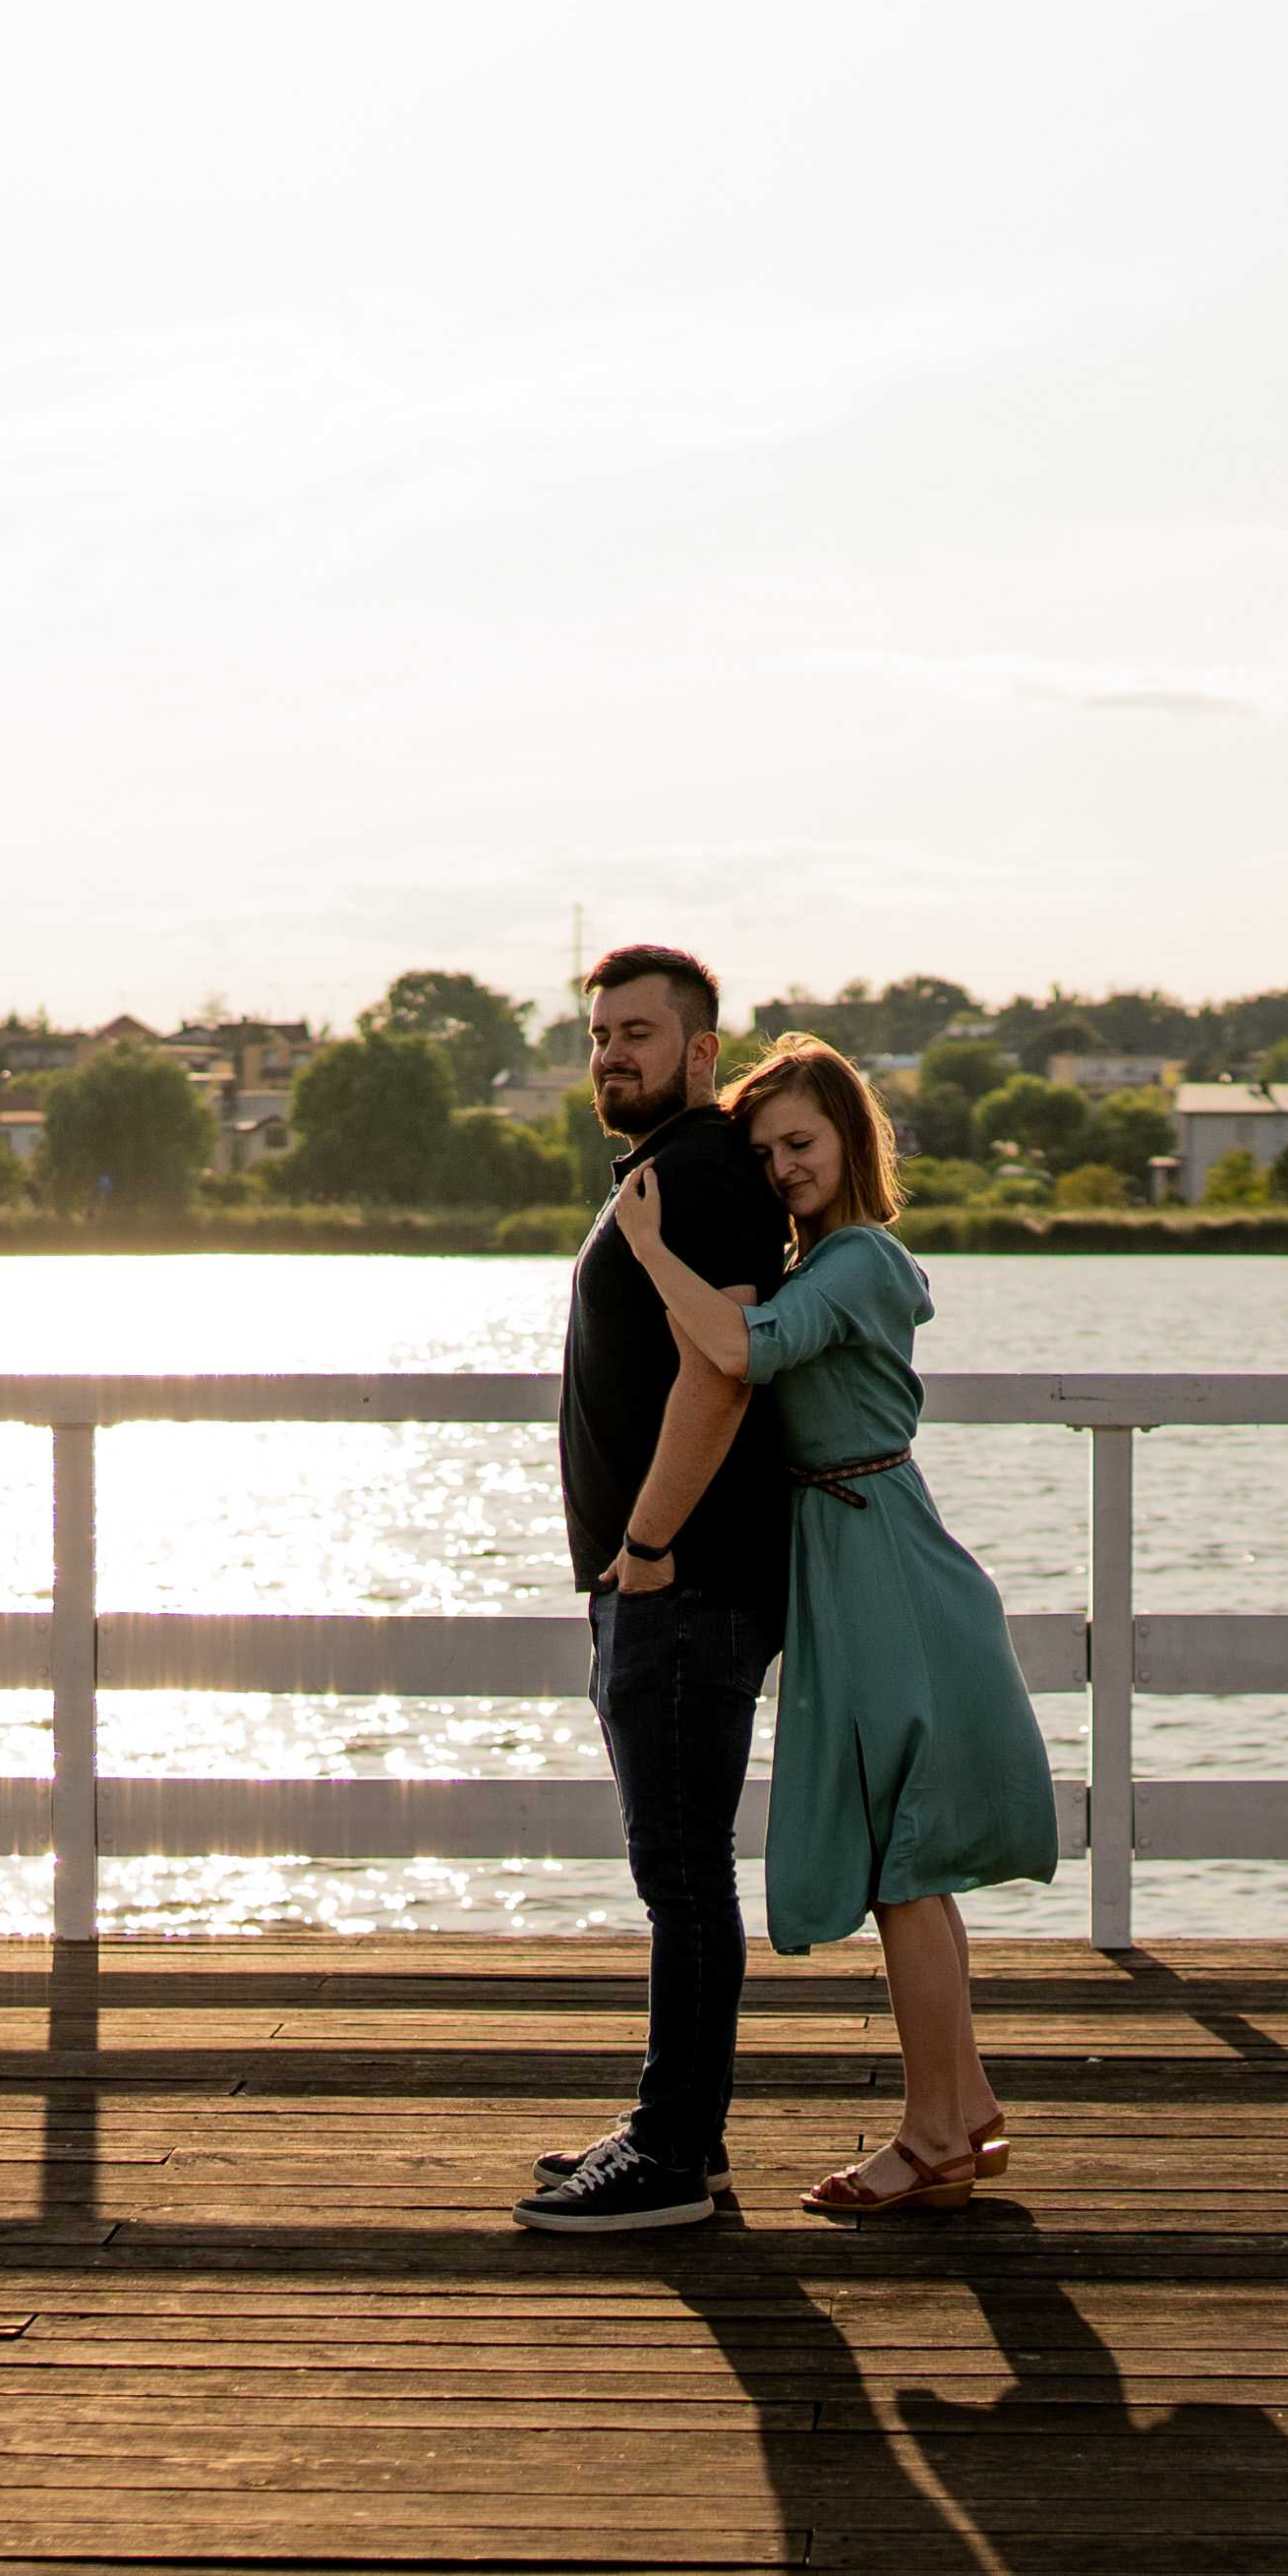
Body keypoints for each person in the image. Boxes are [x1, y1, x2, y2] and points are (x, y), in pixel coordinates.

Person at [606, 1037, 1060, 2214]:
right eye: (765, 1153)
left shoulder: (859, 1259)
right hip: (862, 1549)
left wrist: (648, 1246)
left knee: (904, 1862)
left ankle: (929, 2138)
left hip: (881, 1564)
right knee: (913, 1854)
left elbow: (741, 1349)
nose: (783, 1169)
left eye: (801, 1142)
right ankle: (965, 2107)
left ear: (854, 1137)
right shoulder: (828, 1260)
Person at [517, 942, 794, 2235]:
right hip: (663, 1585)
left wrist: (643, 1544)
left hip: (680, 1584)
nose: (611, 1054)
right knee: (677, 1871)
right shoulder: (664, 1169)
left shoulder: (697, 1171)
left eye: (637, 1031)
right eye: (598, 1034)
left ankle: (672, 2156)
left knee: (682, 1875)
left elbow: (719, 1369)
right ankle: (677, 2128)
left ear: (700, 1049)